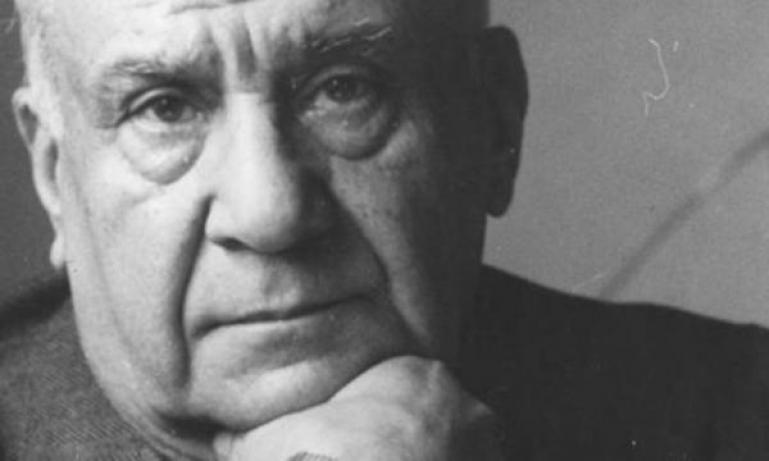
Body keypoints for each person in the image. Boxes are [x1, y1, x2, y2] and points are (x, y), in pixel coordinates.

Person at [2, 0, 769, 459]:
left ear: (495, 122)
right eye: (165, 108)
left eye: (342, 89)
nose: (269, 212)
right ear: (52, 173)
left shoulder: (738, 413)